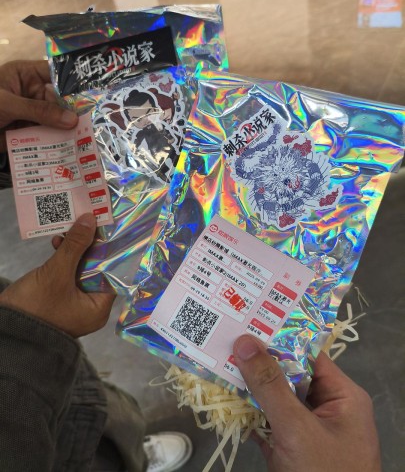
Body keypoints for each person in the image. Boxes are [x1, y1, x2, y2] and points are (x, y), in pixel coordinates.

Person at [0, 61, 382, 471]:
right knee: (84, 444)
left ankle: (125, 448)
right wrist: (29, 335)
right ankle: (111, 454)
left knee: (98, 420)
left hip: (31, 379)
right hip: (24, 396)